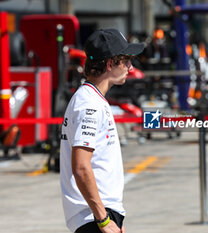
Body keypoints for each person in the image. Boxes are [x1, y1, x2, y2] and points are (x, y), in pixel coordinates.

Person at [60, 28, 144, 233]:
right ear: (110, 63)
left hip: (97, 216)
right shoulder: (89, 104)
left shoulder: (92, 99)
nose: (130, 67)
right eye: (126, 60)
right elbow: (81, 167)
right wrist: (104, 220)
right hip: (94, 217)